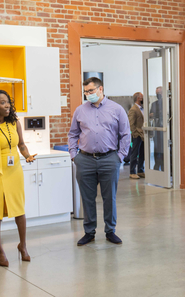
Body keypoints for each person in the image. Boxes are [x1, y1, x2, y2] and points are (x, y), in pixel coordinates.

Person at [68, 77, 131, 246]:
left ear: (100, 89)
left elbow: (125, 134)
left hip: (109, 159)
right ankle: (89, 232)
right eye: (86, 92)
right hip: (85, 159)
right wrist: (74, 155)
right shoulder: (80, 110)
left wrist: (120, 156)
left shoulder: (116, 109)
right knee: (87, 198)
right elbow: (73, 134)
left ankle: (110, 231)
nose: (88, 94)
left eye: (91, 91)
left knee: (109, 197)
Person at [0, 90, 36, 267]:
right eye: (2, 103)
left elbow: (21, 145)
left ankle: (23, 246)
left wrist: (27, 155)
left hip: (14, 171)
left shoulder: (15, 123)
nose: (7, 105)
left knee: (19, 208)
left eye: (8, 102)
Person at [128, 92, 145, 179]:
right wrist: (135, 134)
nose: (143, 99)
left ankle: (140, 170)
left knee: (142, 153)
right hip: (137, 135)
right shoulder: (133, 109)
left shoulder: (142, 109)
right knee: (135, 153)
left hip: (143, 135)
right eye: (142, 97)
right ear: (138, 98)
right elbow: (131, 124)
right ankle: (132, 172)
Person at [149, 86, 164, 171]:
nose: (158, 95)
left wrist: (156, 114)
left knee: (164, 148)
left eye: (159, 93)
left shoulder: (167, 102)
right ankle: (157, 164)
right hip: (157, 129)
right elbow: (151, 114)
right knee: (156, 148)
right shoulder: (154, 104)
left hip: (165, 129)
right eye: (156, 93)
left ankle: (164, 166)